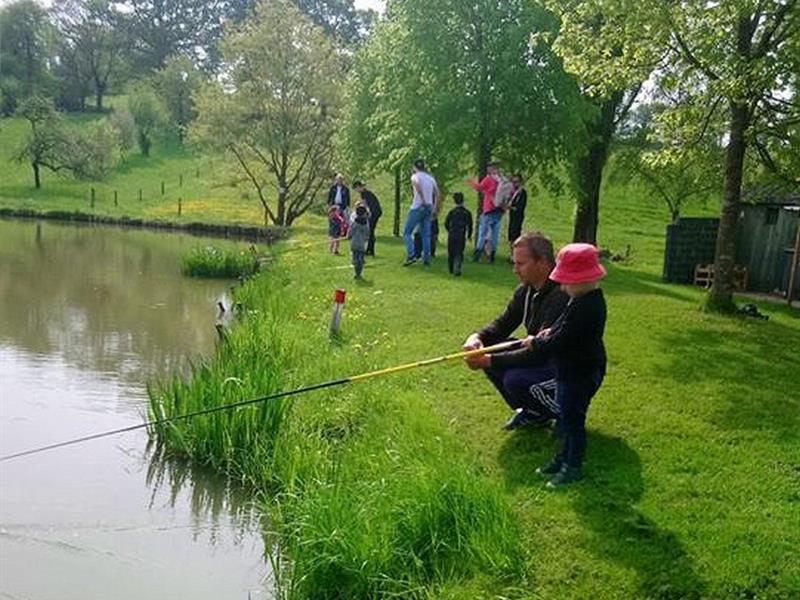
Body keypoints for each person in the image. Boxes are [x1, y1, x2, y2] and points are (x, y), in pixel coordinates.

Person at [463, 232, 569, 430]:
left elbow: (540, 351)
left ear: (543, 262)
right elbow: (502, 325)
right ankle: (533, 412)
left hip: (567, 367)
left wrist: (488, 360)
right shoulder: (525, 291)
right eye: (514, 263)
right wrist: (476, 338)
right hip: (541, 355)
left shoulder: (562, 294)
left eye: (521, 264)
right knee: (488, 348)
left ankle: (568, 414)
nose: (515, 270)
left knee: (515, 380)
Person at [522, 243, 607, 488]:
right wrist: (549, 330)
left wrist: (536, 343)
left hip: (579, 373)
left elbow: (562, 340)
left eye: (567, 281)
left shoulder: (588, 306)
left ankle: (573, 466)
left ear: (583, 280)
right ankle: (563, 457)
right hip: (568, 371)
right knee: (565, 418)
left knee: (572, 422)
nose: (562, 286)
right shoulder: (579, 299)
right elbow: (562, 325)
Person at [402, 159, 440, 266]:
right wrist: (434, 207)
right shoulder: (430, 178)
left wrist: (422, 200)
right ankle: (426, 259)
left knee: (407, 232)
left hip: (417, 206)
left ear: (415, 167)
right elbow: (438, 193)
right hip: (429, 207)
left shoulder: (415, 176)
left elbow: (417, 185)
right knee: (426, 235)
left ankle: (411, 254)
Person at [467, 162, 504, 263]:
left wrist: (471, 182)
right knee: (494, 235)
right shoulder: (501, 180)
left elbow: (479, 187)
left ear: (490, 169)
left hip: (488, 209)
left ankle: (477, 255)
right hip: (499, 210)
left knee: (482, 233)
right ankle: (492, 256)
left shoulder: (489, 179)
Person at [444, 192, 472, 276]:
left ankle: (451, 268)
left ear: (454, 201)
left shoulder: (452, 212)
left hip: (452, 234)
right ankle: (457, 267)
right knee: (459, 252)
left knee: (451, 252)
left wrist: (449, 230)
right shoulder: (467, 213)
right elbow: (470, 225)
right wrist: (469, 235)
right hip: (461, 235)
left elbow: (446, 223)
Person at [353, 180, 382, 256]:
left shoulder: (364, 193)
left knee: (371, 231)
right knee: (371, 231)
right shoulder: (366, 193)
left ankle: (370, 250)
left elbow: (366, 204)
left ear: (358, 187)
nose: (356, 191)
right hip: (376, 212)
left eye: (356, 189)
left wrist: (368, 213)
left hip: (374, 213)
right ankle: (370, 249)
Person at [347, 205, 370, 279]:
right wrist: (366, 238)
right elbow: (367, 233)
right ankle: (359, 273)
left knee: (355, 257)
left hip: (354, 243)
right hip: (362, 244)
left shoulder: (354, 222)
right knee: (360, 257)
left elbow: (350, 231)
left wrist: (348, 236)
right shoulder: (366, 223)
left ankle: (356, 272)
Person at [507, 174, 527, 254]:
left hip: (517, 217)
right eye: (513, 182)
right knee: (511, 235)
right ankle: (512, 253)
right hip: (512, 216)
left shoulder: (522, 193)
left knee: (515, 235)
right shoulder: (514, 192)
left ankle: (515, 254)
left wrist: (511, 207)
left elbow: (520, 207)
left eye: (516, 182)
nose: (514, 184)